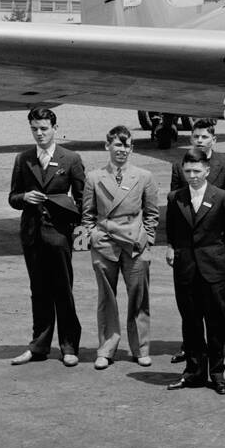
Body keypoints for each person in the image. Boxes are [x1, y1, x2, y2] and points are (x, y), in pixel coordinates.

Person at [9, 107, 87, 367]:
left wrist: (78, 232)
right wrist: (25, 198)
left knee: (63, 290)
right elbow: (13, 197)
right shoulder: (24, 159)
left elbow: (84, 199)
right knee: (38, 291)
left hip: (60, 235)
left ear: (55, 128)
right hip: (32, 235)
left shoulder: (70, 158)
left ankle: (69, 347)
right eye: (34, 129)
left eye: (44, 128)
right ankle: (39, 346)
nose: (39, 134)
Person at [165, 147, 225, 394]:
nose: (193, 176)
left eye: (197, 171)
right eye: (188, 171)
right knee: (191, 324)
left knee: (220, 324)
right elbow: (173, 231)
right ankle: (194, 373)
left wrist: (223, 259)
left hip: (214, 270)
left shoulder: (223, 197)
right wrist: (175, 252)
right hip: (186, 270)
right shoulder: (175, 198)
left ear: (207, 170)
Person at [81, 124, 159, 369]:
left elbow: (152, 214)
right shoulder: (94, 177)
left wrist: (146, 239)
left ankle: (141, 348)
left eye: (126, 145)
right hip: (105, 245)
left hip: (135, 245)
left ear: (132, 148)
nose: (122, 150)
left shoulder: (144, 176)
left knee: (139, 297)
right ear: (108, 146)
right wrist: (94, 235)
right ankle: (106, 349)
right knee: (107, 299)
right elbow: (87, 214)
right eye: (117, 144)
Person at [170, 118, 225, 192]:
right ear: (191, 139)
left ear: (214, 140)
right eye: (196, 137)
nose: (199, 140)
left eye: (204, 137)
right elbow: (174, 197)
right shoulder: (179, 166)